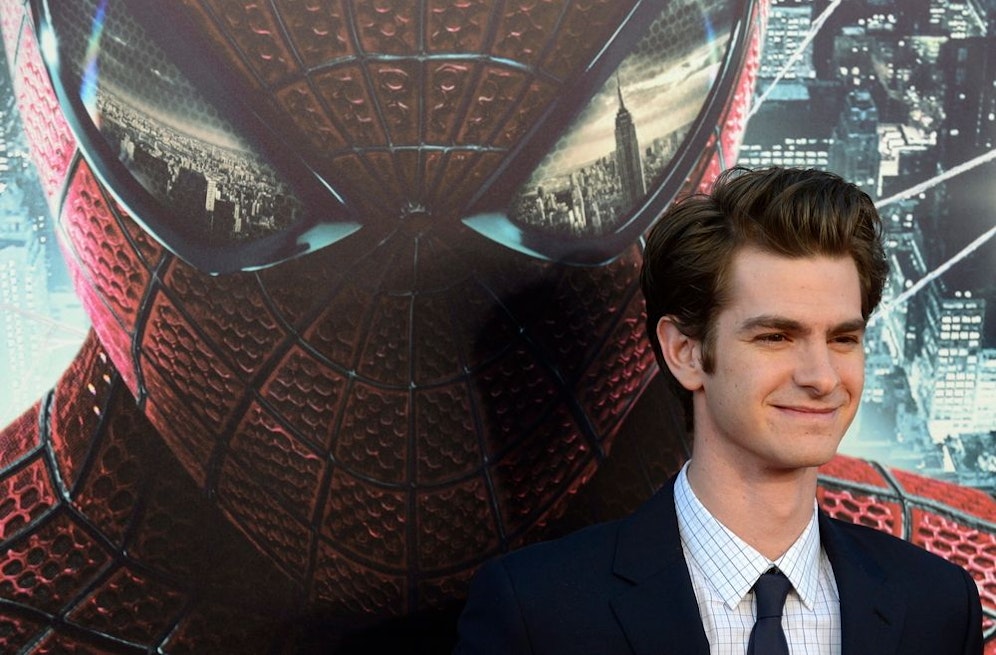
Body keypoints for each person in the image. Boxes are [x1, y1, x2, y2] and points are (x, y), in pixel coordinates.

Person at [453, 166, 984, 655]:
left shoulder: (936, 604)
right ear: (685, 352)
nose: (822, 377)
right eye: (775, 337)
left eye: (843, 339)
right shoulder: (539, 611)